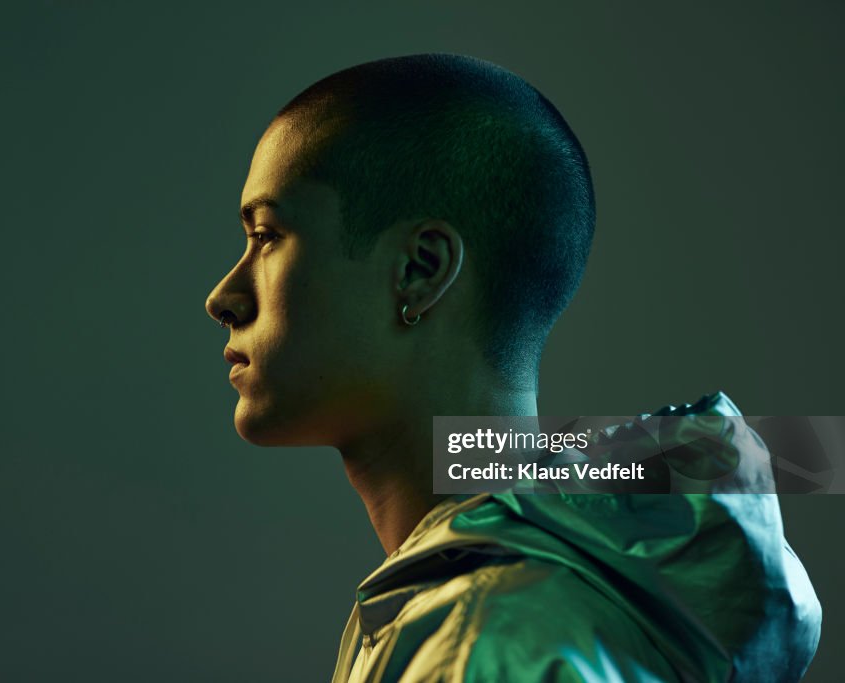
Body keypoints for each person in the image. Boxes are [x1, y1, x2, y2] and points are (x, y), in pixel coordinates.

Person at [204, 54, 821, 682]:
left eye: (267, 235)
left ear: (419, 269)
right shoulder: (520, 604)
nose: (223, 297)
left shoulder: (484, 639)